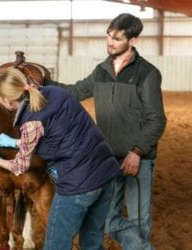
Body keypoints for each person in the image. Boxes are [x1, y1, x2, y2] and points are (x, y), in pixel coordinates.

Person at [44, 13, 167, 250]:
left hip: (137, 160)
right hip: (106, 160)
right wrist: (43, 82)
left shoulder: (148, 74)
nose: (110, 42)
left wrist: (137, 152)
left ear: (133, 41)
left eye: (117, 38)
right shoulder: (101, 70)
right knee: (109, 221)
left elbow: (157, 120)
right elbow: (75, 91)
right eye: (109, 36)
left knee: (139, 223)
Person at [0, 67, 120, 250]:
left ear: (6, 100)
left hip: (77, 184)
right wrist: (15, 142)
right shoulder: (55, 93)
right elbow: (59, 135)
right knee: (92, 243)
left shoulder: (30, 122)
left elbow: (20, 167)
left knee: (55, 245)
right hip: (106, 174)